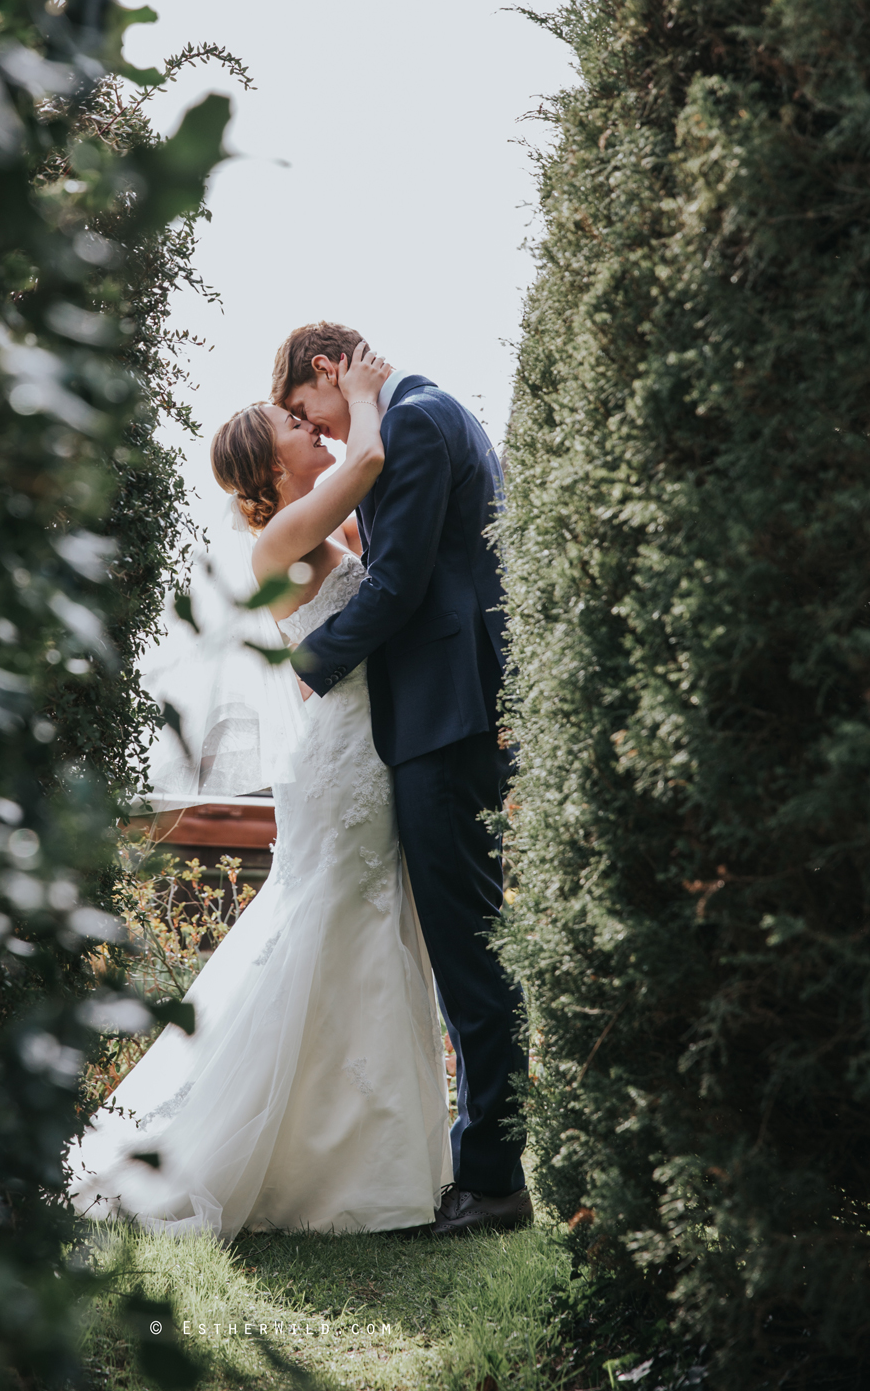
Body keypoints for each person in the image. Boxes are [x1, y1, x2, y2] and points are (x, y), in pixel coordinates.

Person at [65, 344, 452, 1235]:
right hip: (343, 762)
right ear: (273, 465)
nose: (311, 429)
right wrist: (361, 395)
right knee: (326, 929)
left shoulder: (317, 525)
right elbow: (368, 462)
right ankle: (294, 1160)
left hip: (363, 750)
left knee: (366, 929)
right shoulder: (282, 536)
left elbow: (385, 547)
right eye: (294, 426)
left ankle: (362, 1158)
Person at [274, 321, 531, 1238]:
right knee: (467, 940)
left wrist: (308, 667)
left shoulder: (417, 419)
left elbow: (398, 582)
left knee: (468, 947)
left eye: (314, 413)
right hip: (441, 711)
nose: (329, 435)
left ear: (328, 370)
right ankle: (484, 1165)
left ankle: (494, 1179)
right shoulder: (418, 414)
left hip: (443, 715)